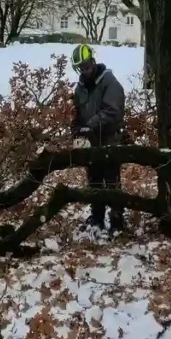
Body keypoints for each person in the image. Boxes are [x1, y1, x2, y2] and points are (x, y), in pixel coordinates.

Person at [71, 43, 126, 234]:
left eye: (86, 66)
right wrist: (76, 129)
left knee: (111, 181)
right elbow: (77, 113)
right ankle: (97, 218)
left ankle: (117, 219)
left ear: (93, 63)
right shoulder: (80, 89)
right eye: (81, 68)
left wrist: (91, 124)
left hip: (110, 138)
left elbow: (113, 111)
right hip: (92, 141)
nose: (84, 71)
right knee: (94, 180)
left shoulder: (109, 82)